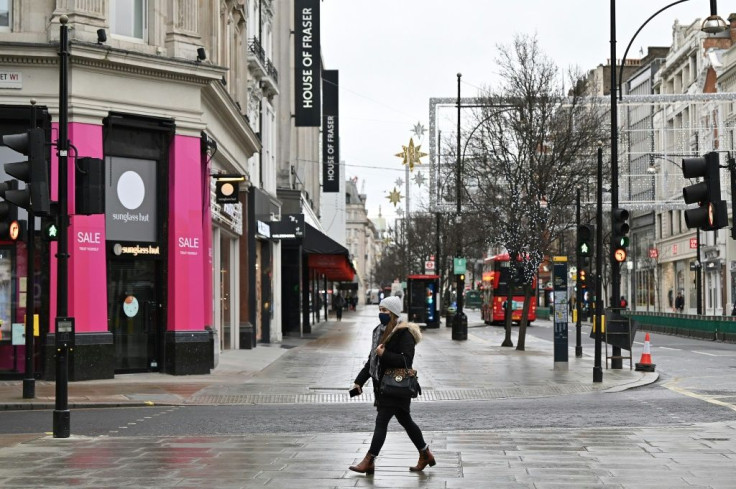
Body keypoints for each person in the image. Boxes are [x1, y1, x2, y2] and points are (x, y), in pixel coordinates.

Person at [349, 295, 435, 475]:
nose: (381, 314)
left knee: (381, 422)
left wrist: (384, 355)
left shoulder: (404, 333)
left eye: (385, 311)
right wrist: (359, 381)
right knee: (406, 420)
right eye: (380, 310)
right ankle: (425, 453)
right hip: (384, 386)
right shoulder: (379, 331)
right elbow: (371, 360)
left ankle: (369, 460)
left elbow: (406, 360)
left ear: (394, 313)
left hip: (396, 387)